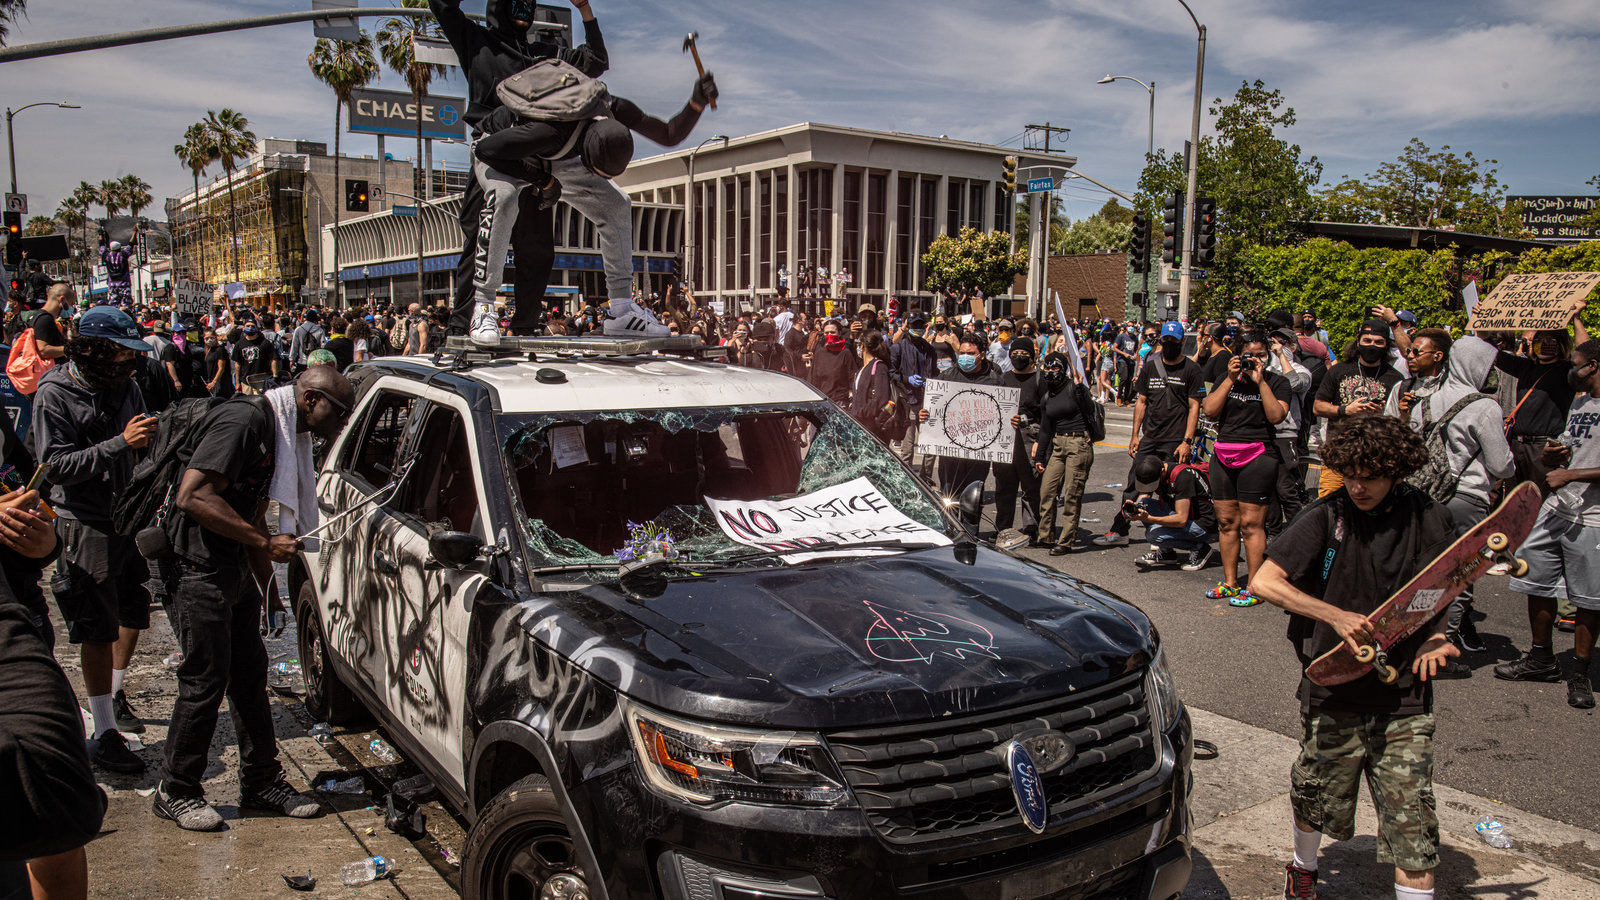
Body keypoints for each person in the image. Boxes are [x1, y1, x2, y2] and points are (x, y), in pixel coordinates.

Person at [1250, 414, 1459, 900]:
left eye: (1371, 477)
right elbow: (1263, 582)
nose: (1359, 487)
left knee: (1413, 826)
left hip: (1404, 694)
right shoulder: (1327, 514)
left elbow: (1446, 588)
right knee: (1317, 795)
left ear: (1397, 471)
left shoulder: (1428, 516)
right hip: (1332, 684)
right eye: (1350, 475)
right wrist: (1336, 615)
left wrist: (1435, 637)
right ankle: (1304, 868)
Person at [153, 367, 356, 831]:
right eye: (339, 413)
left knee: (249, 675)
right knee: (205, 678)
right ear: (310, 401)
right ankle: (177, 788)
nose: (341, 423)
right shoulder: (247, 423)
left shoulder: (281, 433)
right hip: (196, 566)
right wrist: (264, 547)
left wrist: (268, 589)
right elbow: (193, 495)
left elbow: (250, 511)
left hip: (234, 566)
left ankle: (262, 781)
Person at [466, 67, 717, 343]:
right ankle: (484, 306)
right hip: (499, 148)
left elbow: (669, 134)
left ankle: (621, 310)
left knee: (616, 203)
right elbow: (486, 151)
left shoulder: (612, 106)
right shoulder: (548, 130)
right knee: (505, 197)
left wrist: (696, 103)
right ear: (586, 157)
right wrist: (543, 180)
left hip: (558, 153)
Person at [32, 306, 159, 774]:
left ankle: (116, 693)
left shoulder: (128, 386)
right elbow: (55, 466)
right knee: (96, 626)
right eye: (120, 357)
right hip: (83, 522)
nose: (129, 366)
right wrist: (121, 444)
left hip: (127, 515)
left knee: (132, 612)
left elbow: (142, 437)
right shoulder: (55, 394)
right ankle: (103, 731)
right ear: (93, 352)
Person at [1382, 331, 1512, 672]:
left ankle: (1406, 638)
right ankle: (1442, 647)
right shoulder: (1483, 406)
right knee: (1458, 575)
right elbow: (1501, 464)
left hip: (1423, 493)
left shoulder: (1427, 396)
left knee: (1420, 572)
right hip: (1465, 498)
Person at [1494, 338, 1600, 709]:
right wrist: (1559, 452)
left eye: (1576, 362)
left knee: (1587, 597)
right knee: (1534, 577)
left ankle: (1581, 672)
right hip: (1558, 508)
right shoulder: (1582, 401)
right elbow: (1574, 441)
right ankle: (1541, 659)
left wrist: (1572, 475)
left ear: (1593, 367)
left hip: (1594, 517)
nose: (1571, 368)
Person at [1095, 321, 1203, 548]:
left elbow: (1195, 406)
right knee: (1135, 484)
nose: (1169, 344)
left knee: (1170, 490)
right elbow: (1141, 401)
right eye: (1166, 340)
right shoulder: (1151, 367)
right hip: (1151, 437)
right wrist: (1134, 435)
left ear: (1182, 341)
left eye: (1174, 340)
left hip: (1175, 439)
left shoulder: (1191, 370)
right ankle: (1120, 530)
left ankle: (1167, 539)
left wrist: (1187, 441)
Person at [1201, 334, 1291, 605]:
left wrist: (1260, 381)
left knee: (1252, 524)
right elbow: (1210, 410)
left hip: (1258, 455)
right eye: (1249, 355)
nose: (1255, 359)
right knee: (1227, 522)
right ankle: (1230, 582)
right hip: (1224, 453)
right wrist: (1229, 378)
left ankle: (1254, 585)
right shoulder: (1226, 378)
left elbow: (1277, 416)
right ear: (1236, 356)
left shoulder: (1278, 382)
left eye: (1261, 354)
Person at [1312, 318, 1403, 498]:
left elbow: (1401, 419)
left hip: (1375, 457)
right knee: (1328, 505)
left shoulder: (1395, 378)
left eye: (1378, 342)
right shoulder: (1339, 371)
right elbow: (1318, 407)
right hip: (1337, 454)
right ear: (1358, 340)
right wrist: (1345, 410)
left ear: (1386, 346)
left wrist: (1383, 412)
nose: (1372, 346)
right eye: (1367, 340)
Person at [1032, 352, 1093, 555]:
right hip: (1058, 444)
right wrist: (1040, 457)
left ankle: (1066, 541)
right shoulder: (1047, 396)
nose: (1050, 373)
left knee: (1072, 495)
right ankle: (1045, 537)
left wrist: (1079, 387)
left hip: (1078, 443)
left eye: (1054, 369)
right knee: (1047, 492)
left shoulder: (1074, 389)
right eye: (1046, 369)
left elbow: (1088, 407)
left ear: (1063, 370)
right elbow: (1045, 429)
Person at [1126, 453, 1216, 571]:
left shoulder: (1182, 477)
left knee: (1153, 535)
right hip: (1185, 514)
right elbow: (1144, 497)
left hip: (1203, 524)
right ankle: (1166, 552)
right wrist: (1133, 510)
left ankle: (1200, 547)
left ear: (1162, 471)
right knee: (1144, 503)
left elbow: (1181, 520)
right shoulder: (1157, 473)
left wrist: (1148, 519)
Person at [995, 337, 1042, 542]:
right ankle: (1004, 527)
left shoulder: (1041, 380)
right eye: (1014, 354)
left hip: (1029, 435)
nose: (1018, 357)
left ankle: (1030, 528)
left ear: (1032, 356)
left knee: (1030, 484)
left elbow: (1045, 413)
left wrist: (1040, 440)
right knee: (1004, 485)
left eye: (1023, 354)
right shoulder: (1004, 378)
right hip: (1005, 436)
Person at [889, 316, 938, 479]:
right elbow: (891, 372)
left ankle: (926, 478)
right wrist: (906, 379)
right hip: (907, 401)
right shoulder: (898, 348)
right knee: (907, 447)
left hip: (928, 401)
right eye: (913, 326)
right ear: (907, 326)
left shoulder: (929, 350)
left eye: (919, 326)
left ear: (924, 326)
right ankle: (907, 479)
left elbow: (934, 371)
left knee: (931, 446)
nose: (916, 329)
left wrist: (931, 383)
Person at [849, 331, 895, 441]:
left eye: (858, 344)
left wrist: (858, 414)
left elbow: (880, 399)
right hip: (859, 427)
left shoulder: (879, 367)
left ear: (863, 345)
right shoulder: (861, 369)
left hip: (873, 430)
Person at [807, 318, 854, 407]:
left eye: (832, 332)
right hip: (821, 400)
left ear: (839, 333)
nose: (829, 335)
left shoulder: (845, 353)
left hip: (839, 402)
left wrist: (852, 398)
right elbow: (813, 377)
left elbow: (852, 377)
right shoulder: (819, 353)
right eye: (826, 333)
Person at [230, 322, 280, 395]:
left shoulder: (265, 343)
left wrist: (275, 377)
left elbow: (273, 359)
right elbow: (237, 364)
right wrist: (237, 382)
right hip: (246, 382)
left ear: (257, 328)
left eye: (252, 326)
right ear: (243, 328)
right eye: (248, 326)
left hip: (261, 380)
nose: (250, 328)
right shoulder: (239, 344)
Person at [288, 308, 325, 372]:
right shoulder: (320, 330)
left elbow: (294, 346)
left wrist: (292, 360)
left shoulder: (299, 329)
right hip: (315, 362)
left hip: (302, 361)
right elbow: (323, 346)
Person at [205, 327, 235, 399]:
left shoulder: (220, 350)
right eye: (207, 338)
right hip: (212, 382)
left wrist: (214, 382)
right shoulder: (209, 350)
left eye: (211, 337)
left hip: (221, 383)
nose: (209, 340)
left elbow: (221, 368)